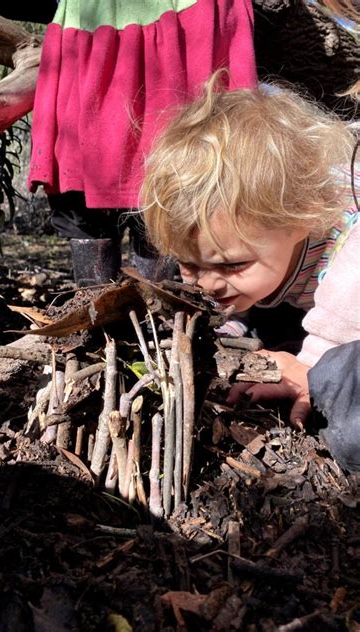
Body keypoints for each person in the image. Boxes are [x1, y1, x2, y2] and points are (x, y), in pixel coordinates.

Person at [141, 70, 359, 466]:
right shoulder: (256, 244)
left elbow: (349, 302)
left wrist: (313, 361)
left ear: (302, 218)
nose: (206, 283)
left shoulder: (348, 240)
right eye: (189, 263)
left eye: (232, 264)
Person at [28, 0, 257, 285]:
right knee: (90, 195)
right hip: (100, 21)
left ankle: (157, 314)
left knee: (174, 190)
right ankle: (96, 313)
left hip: (183, 19)